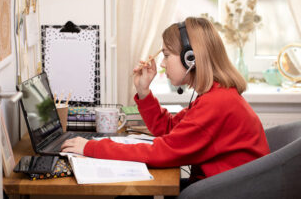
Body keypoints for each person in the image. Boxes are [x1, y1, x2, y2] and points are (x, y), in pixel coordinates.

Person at [61, 17, 270, 187]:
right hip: (220, 186)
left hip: (223, 192)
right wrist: (143, 91)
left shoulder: (217, 103)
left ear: (191, 59)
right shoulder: (216, 95)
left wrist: (91, 147)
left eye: (167, 55)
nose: (162, 63)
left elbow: (161, 152)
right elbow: (169, 129)